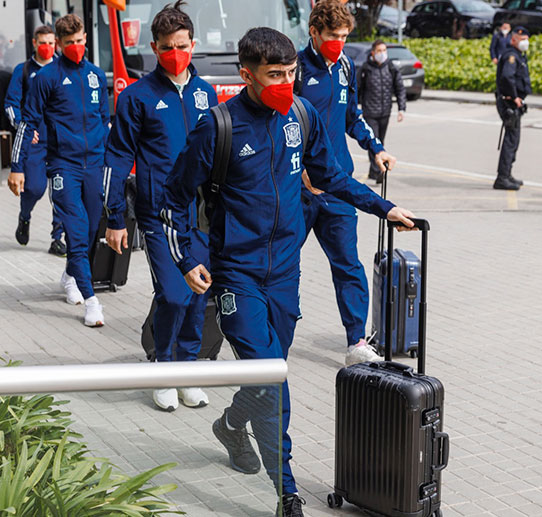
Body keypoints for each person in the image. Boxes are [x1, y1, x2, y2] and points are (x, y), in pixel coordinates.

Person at [159, 27, 417, 517]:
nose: (285, 81)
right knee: (275, 378)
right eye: (274, 75)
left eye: (291, 72)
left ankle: (233, 425)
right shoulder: (217, 127)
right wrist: (188, 258)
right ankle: (287, 492)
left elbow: (331, 176)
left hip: (285, 273)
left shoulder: (301, 115)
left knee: (264, 374)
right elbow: (173, 198)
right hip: (237, 274)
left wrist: (382, 207)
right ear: (246, 74)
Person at [103, 0, 217, 412]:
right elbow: (116, 159)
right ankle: (162, 369)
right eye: (167, 47)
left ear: (192, 44)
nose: (176, 54)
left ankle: (187, 371)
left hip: (201, 215)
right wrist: (116, 218)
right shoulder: (137, 97)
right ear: (154, 47)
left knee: (196, 295)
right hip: (158, 214)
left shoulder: (206, 94)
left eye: (182, 45)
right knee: (171, 293)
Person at [297, 0, 397, 366]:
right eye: (332, 36)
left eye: (343, 36)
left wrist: (376, 148)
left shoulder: (345, 67)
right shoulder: (294, 68)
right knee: (282, 262)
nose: (338, 42)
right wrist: (300, 170)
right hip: (299, 188)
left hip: (337, 184)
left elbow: (353, 116)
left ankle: (356, 341)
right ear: (314, 32)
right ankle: (271, 333)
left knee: (348, 264)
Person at [9, 13, 110, 327]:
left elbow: (105, 120)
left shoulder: (95, 76)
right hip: (63, 166)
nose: (76, 47)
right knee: (77, 233)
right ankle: (91, 301)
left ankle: (70, 274)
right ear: (59, 44)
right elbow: (26, 123)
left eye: (80, 41)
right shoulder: (46, 78)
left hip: (94, 164)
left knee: (93, 230)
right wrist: (16, 167)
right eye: (69, 43)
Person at [4, 25, 66, 257]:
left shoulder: (64, 69)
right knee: (34, 187)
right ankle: (25, 216)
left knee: (62, 190)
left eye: (51, 43)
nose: (47, 47)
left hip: (60, 142)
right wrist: (24, 127)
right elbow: (11, 104)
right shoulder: (24, 70)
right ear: (34, 43)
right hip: (34, 142)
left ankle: (57, 238)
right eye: (43, 42)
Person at [358, 40, 406, 183]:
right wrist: (355, 108)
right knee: (374, 140)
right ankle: (378, 170)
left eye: (384, 50)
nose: (382, 53)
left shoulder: (390, 67)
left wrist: (401, 108)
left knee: (381, 141)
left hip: (385, 112)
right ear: (373, 53)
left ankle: (374, 171)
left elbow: (400, 88)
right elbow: (356, 89)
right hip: (370, 112)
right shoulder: (366, 68)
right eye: (379, 50)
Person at [494, 26, 531, 191]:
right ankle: (502, 177)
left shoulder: (518, 55)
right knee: (510, 141)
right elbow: (507, 78)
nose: (525, 42)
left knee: (513, 140)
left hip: (513, 103)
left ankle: (507, 174)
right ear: (513, 40)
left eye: (526, 39)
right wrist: (514, 97)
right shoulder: (511, 56)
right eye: (522, 40)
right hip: (509, 103)